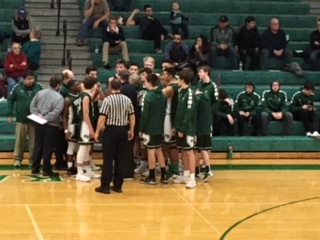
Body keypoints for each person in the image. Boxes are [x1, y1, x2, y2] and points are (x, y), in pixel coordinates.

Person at [94, 78, 135, 194]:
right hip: (123, 130)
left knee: (108, 159)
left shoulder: (108, 100)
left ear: (110, 87)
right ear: (121, 87)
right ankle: (118, 185)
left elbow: (102, 117)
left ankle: (105, 185)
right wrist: (131, 129)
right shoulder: (127, 100)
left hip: (111, 130)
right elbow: (132, 116)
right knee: (120, 159)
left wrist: (97, 132)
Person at [29, 75, 64, 176]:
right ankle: (46, 169)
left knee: (38, 145)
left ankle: (35, 167)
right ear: (58, 85)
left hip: (38, 123)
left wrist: (38, 115)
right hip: (51, 125)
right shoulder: (59, 97)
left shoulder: (40, 92)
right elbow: (56, 112)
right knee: (48, 147)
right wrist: (46, 118)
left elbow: (32, 106)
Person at [7, 70, 42, 167]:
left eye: (32, 78)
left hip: (35, 119)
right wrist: (9, 114)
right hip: (21, 118)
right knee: (19, 140)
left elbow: (44, 99)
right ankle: (17, 159)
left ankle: (33, 160)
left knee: (34, 141)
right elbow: (10, 99)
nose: (31, 81)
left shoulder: (39, 87)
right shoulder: (17, 87)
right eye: (28, 79)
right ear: (23, 79)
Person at [139, 73, 167, 184]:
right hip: (159, 127)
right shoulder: (163, 95)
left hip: (149, 127)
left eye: (145, 81)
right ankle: (164, 176)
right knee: (159, 150)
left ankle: (151, 176)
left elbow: (144, 114)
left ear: (149, 82)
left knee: (150, 151)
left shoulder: (148, 96)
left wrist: (141, 129)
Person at [173, 68, 197, 189]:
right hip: (181, 128)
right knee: (182, 150)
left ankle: (192, 178)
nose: (177, 81)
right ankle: (185, 174)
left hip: (189, 129)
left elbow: (189, 112)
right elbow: (179, 112)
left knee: (189, 152)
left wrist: (182, 128)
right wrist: (176, 127)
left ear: (182, 80)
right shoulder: (181, 92)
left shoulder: (190, 93)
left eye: (178, 79)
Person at [76, 76, 101, 182]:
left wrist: (96, 91)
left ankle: (87, 170)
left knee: (86, 148)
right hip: (85, 125)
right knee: (83, 148)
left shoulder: (86, 95)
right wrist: (91, 129)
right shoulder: (85, 97)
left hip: (86, 124)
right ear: (93, 85)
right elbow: (86, 115)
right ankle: (79, 172)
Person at [118, 70, 138, 180]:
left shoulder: (122, 89)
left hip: (123, 121)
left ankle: (125, 172)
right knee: (129, 147)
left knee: (123, 148)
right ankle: (129, 170)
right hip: (132, 118)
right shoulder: (132, 89)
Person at [162, 67, 180, 179]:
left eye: (164, 74)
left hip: (170, 117)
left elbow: (158, 96)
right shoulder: (176, 85)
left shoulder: (171, 88)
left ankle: (175, 169)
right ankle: (172, 167)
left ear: (170, 75)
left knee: (171, 144)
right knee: (167, 144)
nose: (163, 76)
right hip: (170, 116)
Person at [194, 89, 214, 182]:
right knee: (204, 149)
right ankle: (204, 170)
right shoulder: (207, 98)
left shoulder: (197, 99)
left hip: (200, 128)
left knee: (197, 150)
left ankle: (203, 170)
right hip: (207, 127)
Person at [62, 80, 81, 176]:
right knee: (71, 147)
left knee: (78, 148)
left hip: (80, 125)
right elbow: (64, 116)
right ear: (72, 87)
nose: (79, 85)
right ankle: (69, 167)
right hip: (72, 125)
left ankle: (77, 167)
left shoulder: (82, 96)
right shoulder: (67, 99)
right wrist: (66, 130)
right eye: (77, 84)